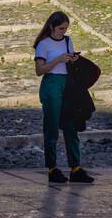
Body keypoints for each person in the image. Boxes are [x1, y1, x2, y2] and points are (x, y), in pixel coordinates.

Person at [34, 10, 94, 184]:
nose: (63, 32)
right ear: (52, 27)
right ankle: (52, 168)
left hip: (67, 84)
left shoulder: (68, 41)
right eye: (61, 28)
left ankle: (75, 167)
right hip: (51, 84)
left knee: (71, 126)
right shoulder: (43, 44)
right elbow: (39, 70)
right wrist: (58, 60)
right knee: (51, 127)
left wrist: (72, 59)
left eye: (66, 28)